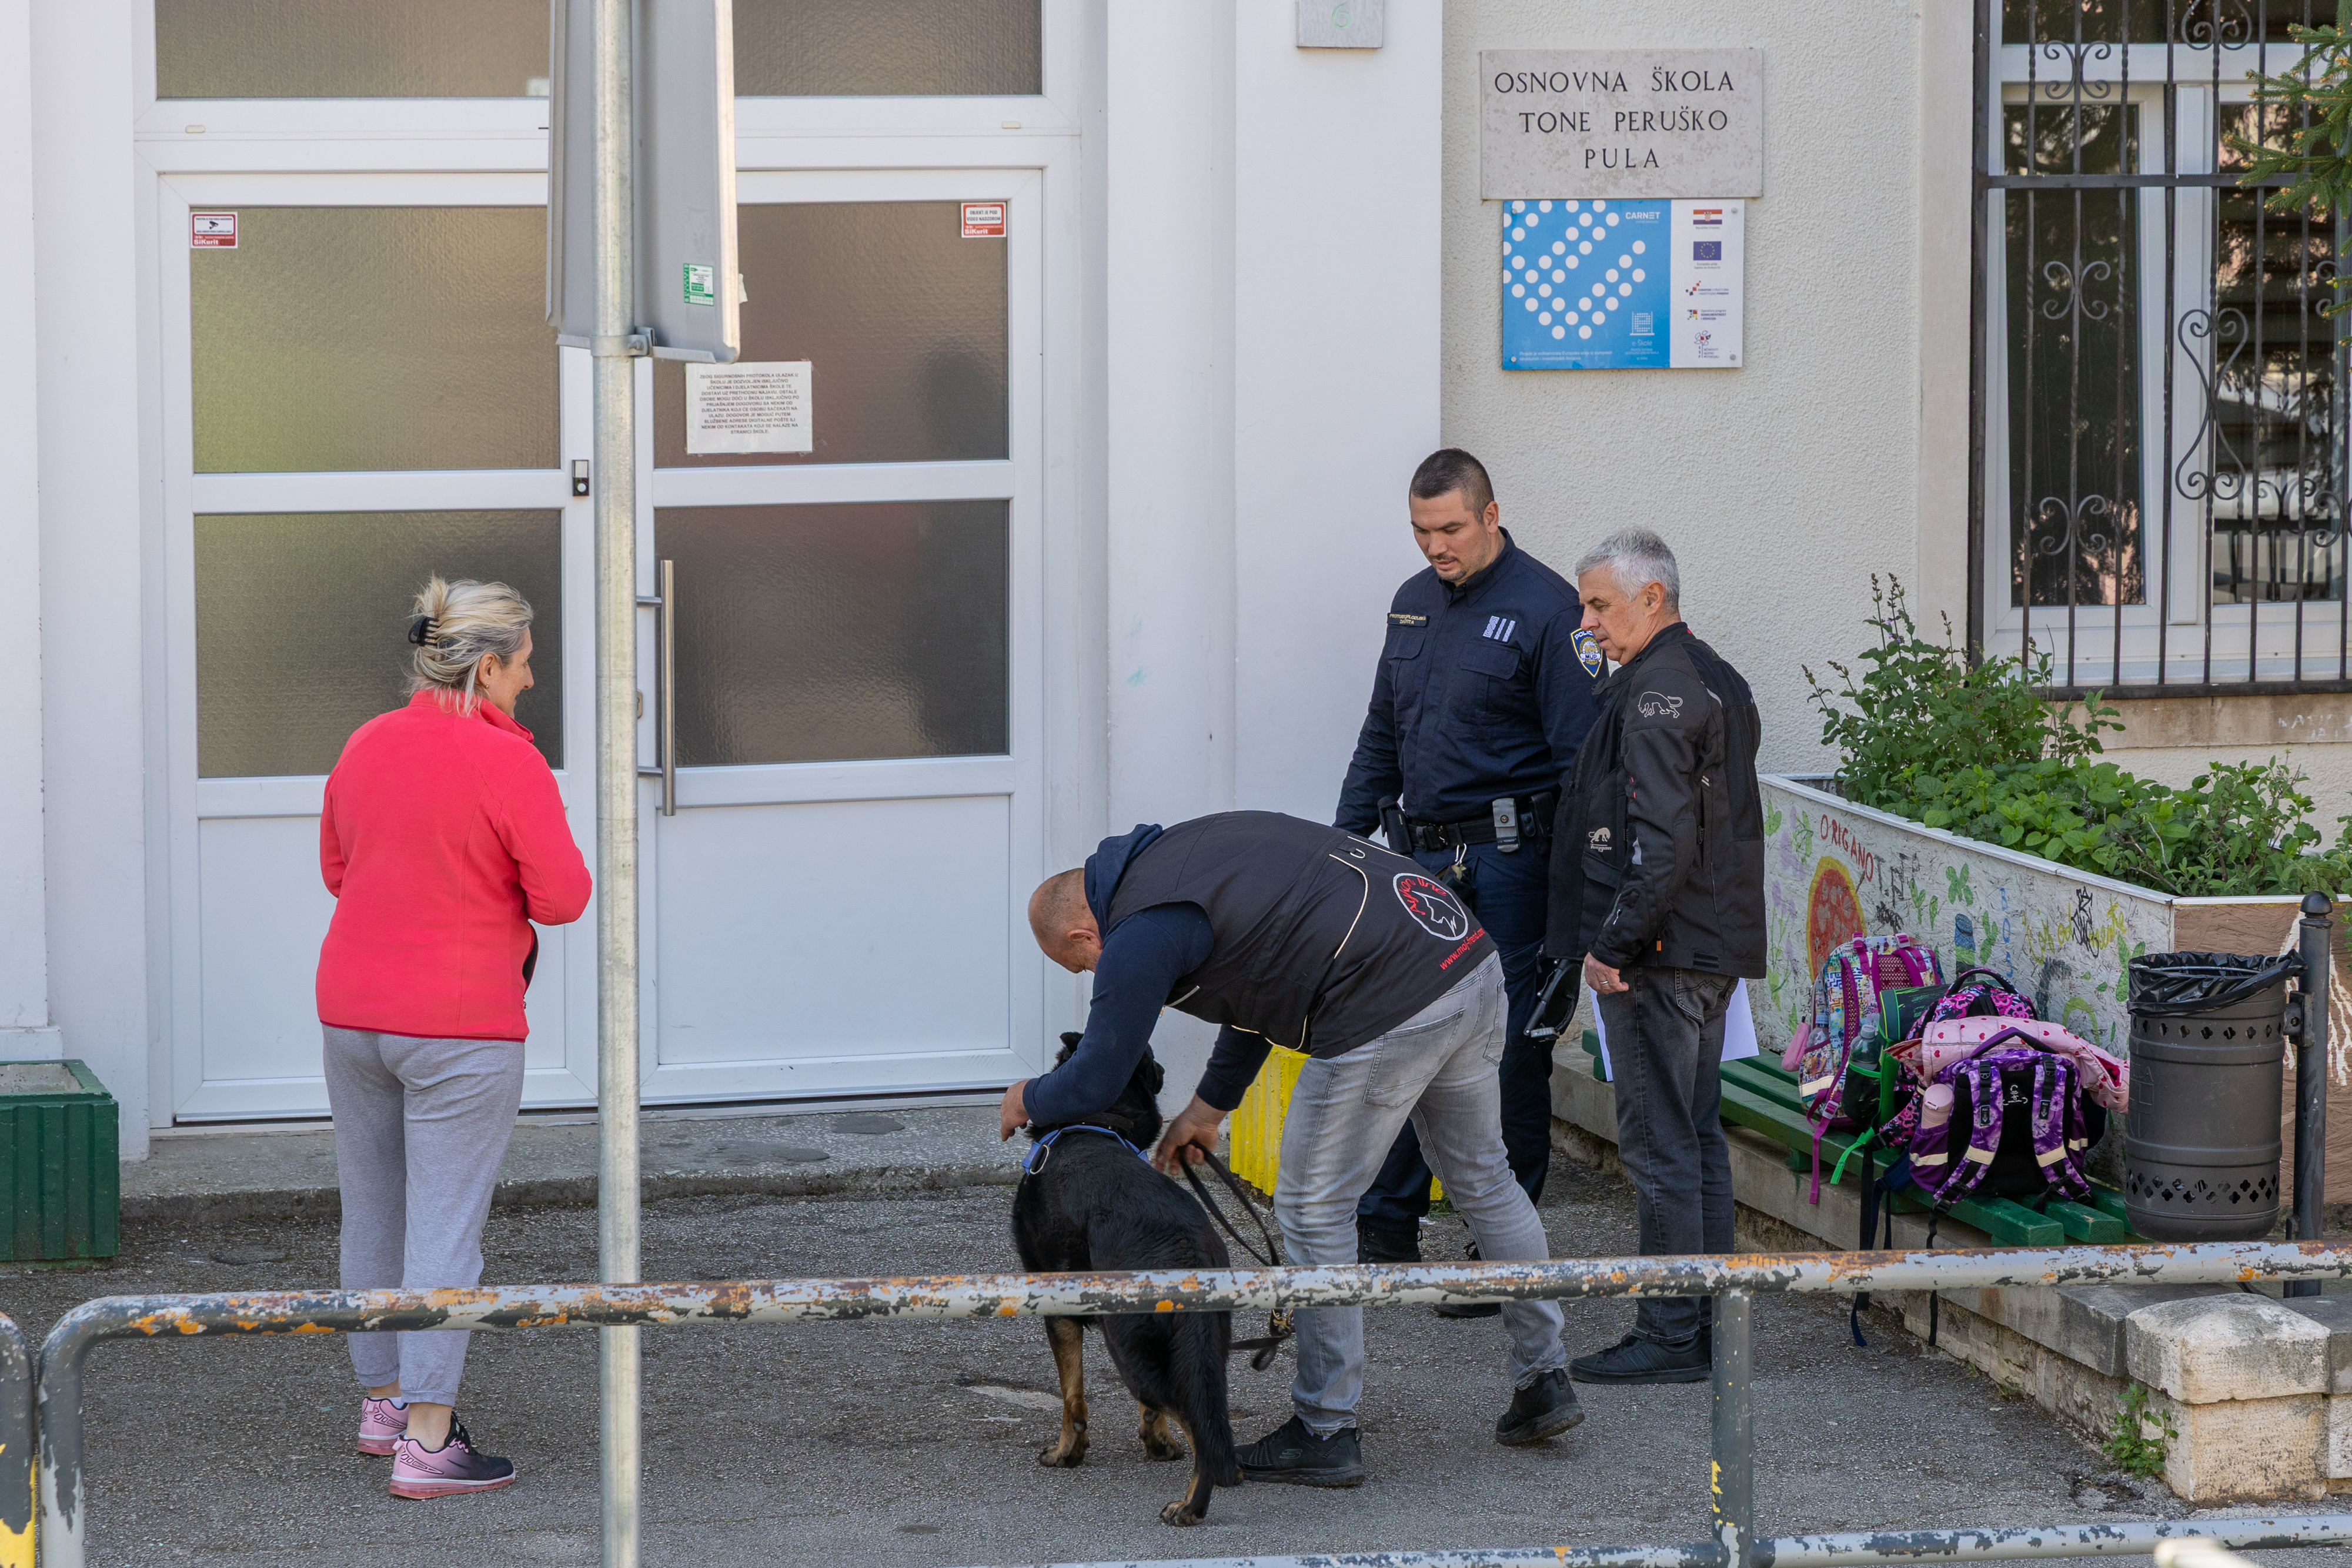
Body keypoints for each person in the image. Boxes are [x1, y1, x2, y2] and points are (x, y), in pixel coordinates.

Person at [1002, 810, 1582, 1488]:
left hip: (1384, 1000)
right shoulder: (1185, 857)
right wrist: (1208, 1107)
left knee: (1312, 1209)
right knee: (1485, 1180)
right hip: (1466, 961)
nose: (1098, 974)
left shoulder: (1139, 930)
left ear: (1083, 933)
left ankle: (1325, 1430)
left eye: (1084, 964)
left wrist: (1028, 1097)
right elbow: (1261, 986)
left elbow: (1099, 1075)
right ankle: (1544, 1377)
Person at [316, 576, 592, 1499]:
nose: (531, 678)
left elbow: (338, 868)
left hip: (353, 1010)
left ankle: (384, 1401)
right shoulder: (508, 761)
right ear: (487, 665)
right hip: (460, 1023)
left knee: (374, 1209)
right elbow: (563, 896)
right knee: (445, 1228)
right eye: (524, 662)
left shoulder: (366, 741)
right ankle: (430, 1441)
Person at [1334, 447, 1603, 1300]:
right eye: (1421, 530)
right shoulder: (1413, 602)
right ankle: (1387, 1224)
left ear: (1490, 515)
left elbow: (1581, 769)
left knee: (1508, 1053)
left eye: (1449, 528)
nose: (1435, 546)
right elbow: (1382, 733)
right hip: (1421, 863)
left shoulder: (1548, 610)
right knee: (1404, 1034)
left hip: (1513, 865)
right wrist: (1343, 844)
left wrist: (1577, 906)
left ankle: (1503, 1250)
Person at [1539, 529, 1765, 1385]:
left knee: (1661, 1142)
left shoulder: (1658, 689)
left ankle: (1672, 1332)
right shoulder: (1711, 672)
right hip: (1709, 947)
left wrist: (1612, 944)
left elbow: (1661, 844)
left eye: (1599, 605)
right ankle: (1705, 1324)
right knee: (1695, 1136)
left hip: (1660, 955)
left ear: (1651, 597)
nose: (1588, 623)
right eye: (1585, 606)